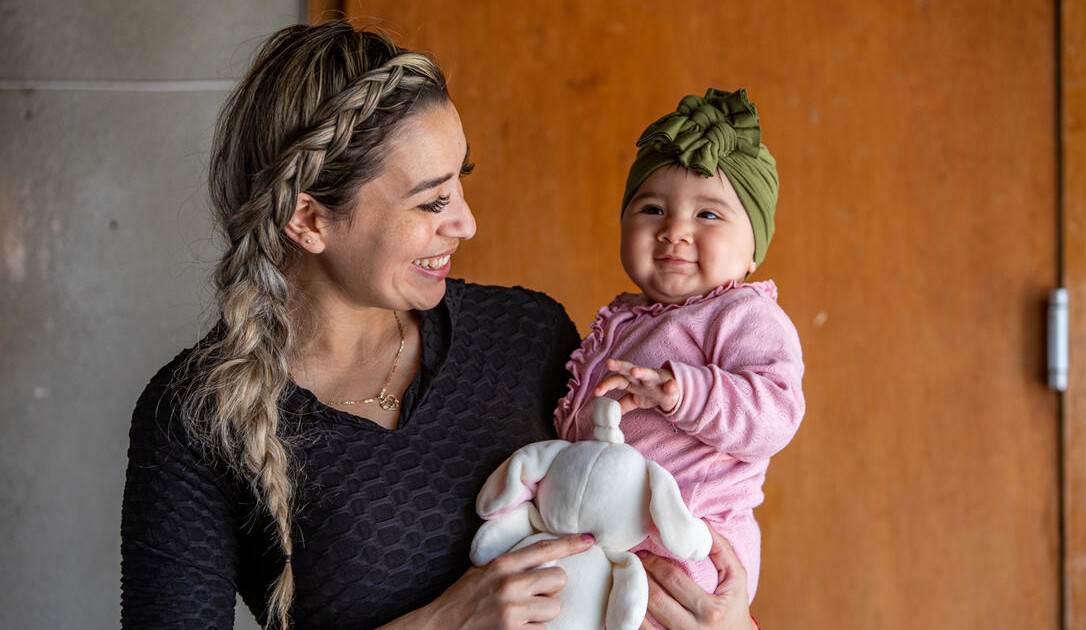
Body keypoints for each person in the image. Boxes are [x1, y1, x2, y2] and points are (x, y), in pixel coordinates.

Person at [120, 20, 758, 630]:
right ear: (308, 219)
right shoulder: (195, 417)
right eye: (431, 200)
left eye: (461, 182)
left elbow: (678, 503)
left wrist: (729, 616)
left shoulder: (528, 335)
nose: (466, 223)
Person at [554, 88, 805, 608]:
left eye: (708, 215)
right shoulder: (626, 319)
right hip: (614, 538)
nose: (674, 231)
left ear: (754, 249)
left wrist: (682, 392)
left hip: (691, 547)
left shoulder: (744, 315)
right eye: (651, 208)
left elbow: (777, 411)